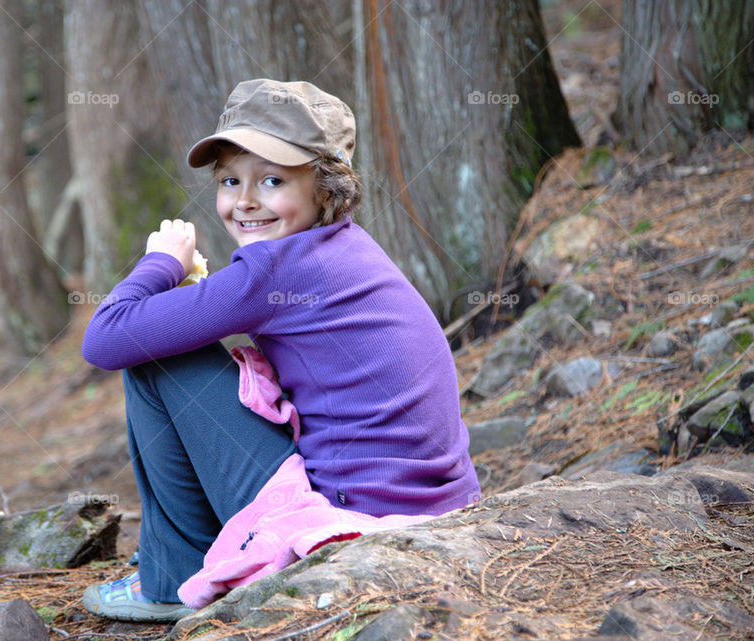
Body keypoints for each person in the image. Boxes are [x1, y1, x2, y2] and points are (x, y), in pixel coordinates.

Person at [80, 78, 480, 622]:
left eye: (271, 180)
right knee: (164, 340)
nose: (244, 200)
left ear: (327, 188)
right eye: (229, 180)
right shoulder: (342, 248)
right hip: (433, 504)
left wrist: (163, 263)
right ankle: (179, 559)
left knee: (155, 357)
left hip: (349, 515)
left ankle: (170, 580)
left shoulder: (274, 270)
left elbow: (106, 338)